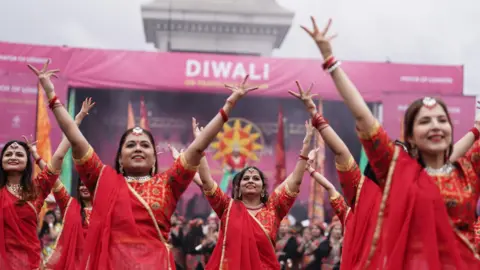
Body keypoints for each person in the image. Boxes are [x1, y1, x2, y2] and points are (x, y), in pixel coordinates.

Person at [29, 60, 259, 270]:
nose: (138, 148)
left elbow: (198, 147)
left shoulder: (169, 182)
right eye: (130, 145)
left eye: (144, 145)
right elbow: (75, 137)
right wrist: (51, 93)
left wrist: (229, 104)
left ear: (153, 157)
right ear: (120, 158)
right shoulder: (101, 180)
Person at [301, 17, 480, 268]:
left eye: (442, 119)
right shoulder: (402, 181)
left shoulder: (466, 172)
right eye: (425, 121)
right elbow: (363, 116)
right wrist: (331, 63)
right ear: (411, 134)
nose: (436, 125)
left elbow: (453, 156)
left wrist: (476, 129)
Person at [192, 117, 314, 270]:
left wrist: (305, 147)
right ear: (238, 186)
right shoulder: (227, 208)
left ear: (263, 188)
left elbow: (294, 182)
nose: (250, 180)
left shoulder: (273, 208)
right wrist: (200, 145)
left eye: (256, 178)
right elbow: (207, 181)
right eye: (246, 178)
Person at [28, 97, 95, 270]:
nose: (83, 187)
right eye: (81, 184)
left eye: (88, 184)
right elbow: (52, 177)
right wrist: (37, 158)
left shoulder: (106, 212)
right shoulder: (70, 206)